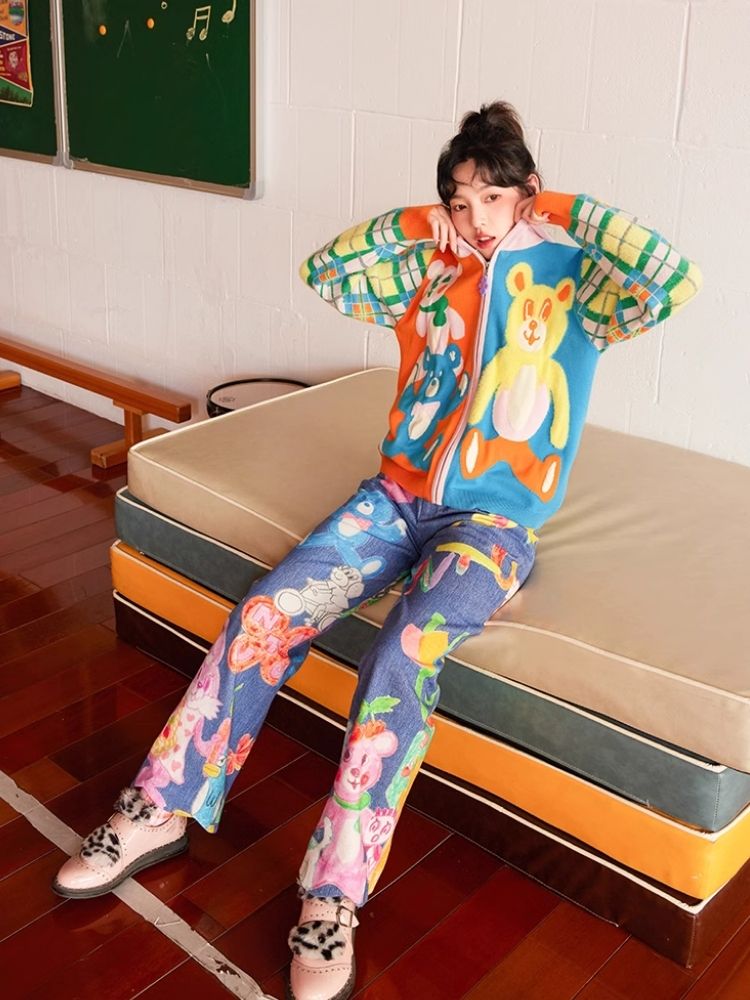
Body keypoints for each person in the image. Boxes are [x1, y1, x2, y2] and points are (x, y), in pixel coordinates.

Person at [52, 101, 702, 1000]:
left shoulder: (578, 284)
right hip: (394, 503)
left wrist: (556, 212)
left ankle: (332, 897)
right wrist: (424, 224)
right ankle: (159, 807)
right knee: (266, 612)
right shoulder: (430, 273)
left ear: (527, 191)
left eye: (494, 197)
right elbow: (326, 269)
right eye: (461, 199)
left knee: (401, 653)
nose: (477, 218)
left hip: (492, 530)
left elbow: (672, 278)